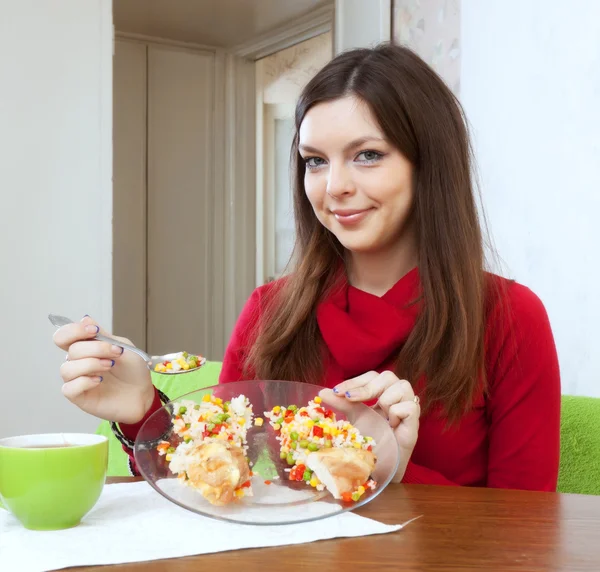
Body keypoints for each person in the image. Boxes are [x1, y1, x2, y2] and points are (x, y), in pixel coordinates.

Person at [53, 43, 561, 490]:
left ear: (428, 164)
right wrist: (144, 412)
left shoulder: (512, 318)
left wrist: (392, 471)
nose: (333, 186)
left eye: (366, 155)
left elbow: (529, 530)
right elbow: (223, 479)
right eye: (315, 160)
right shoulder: (270, 310)